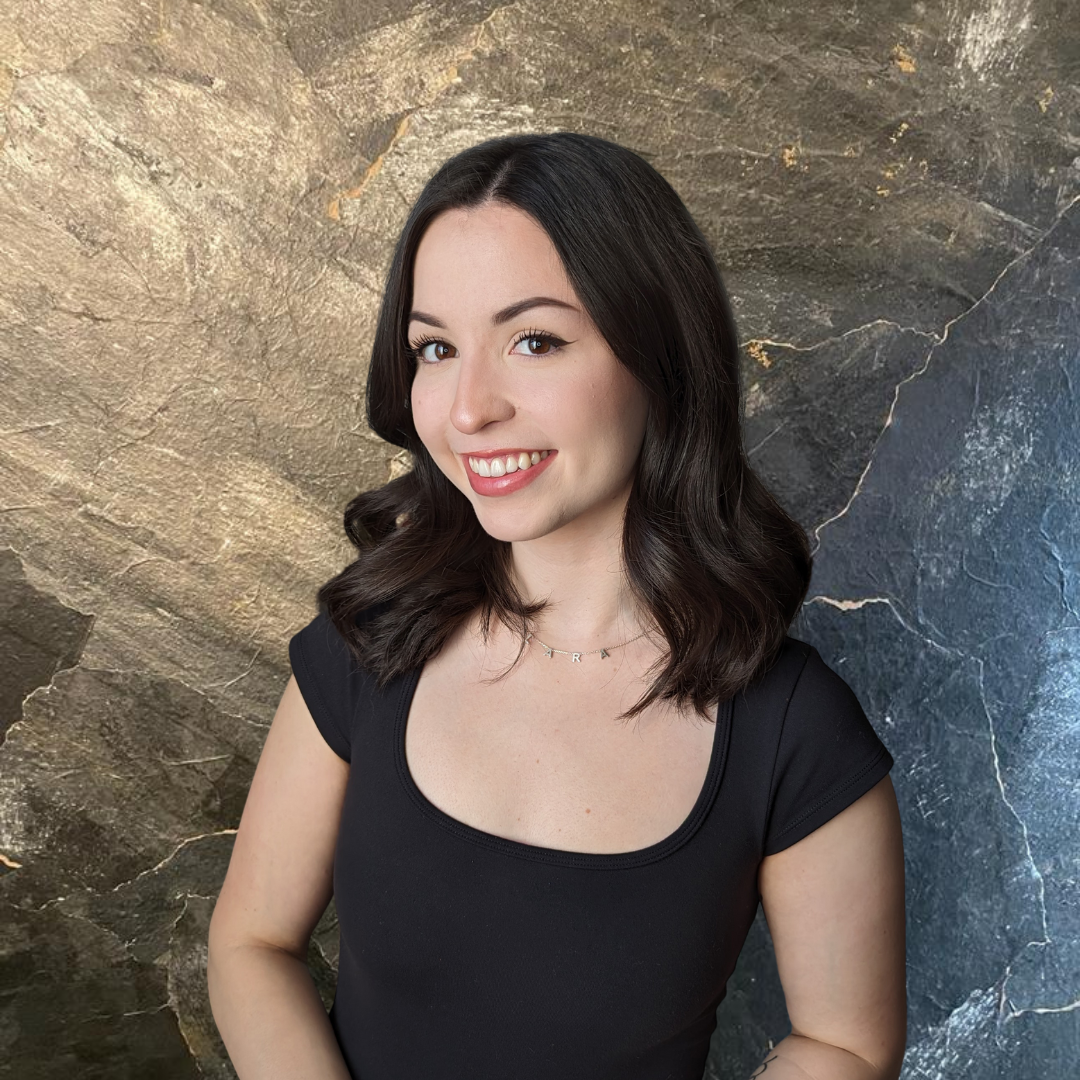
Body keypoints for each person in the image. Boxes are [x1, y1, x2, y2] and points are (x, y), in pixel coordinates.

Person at [207, 132, 907, 1080]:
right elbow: (250, 943)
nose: (467, 409)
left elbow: (846, 1043)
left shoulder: (792, 729)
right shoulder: (373, 640)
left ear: (658, 353)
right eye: (435, 348)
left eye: (534, 340)